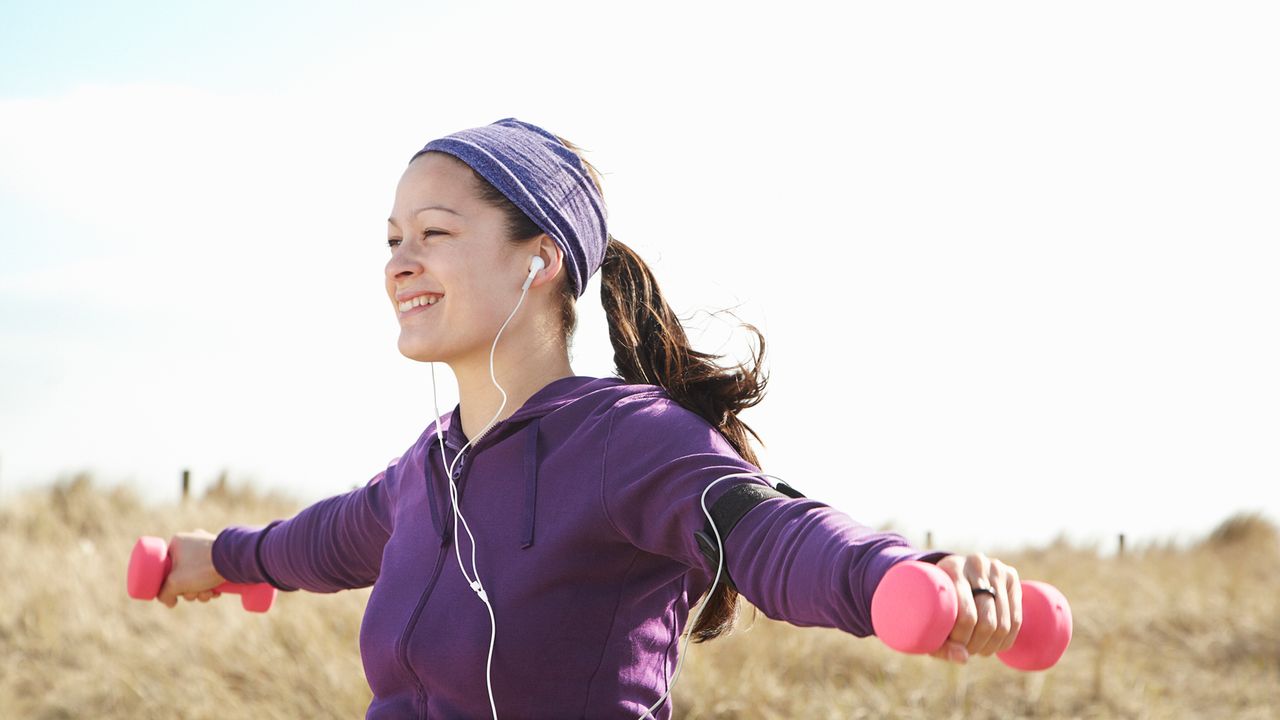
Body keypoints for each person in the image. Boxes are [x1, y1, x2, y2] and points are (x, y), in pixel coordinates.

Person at [157, 117, 1024, 719]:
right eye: (392, 240)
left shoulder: (630, 441)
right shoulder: (428, 470)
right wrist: (216, 558)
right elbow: (314, 543)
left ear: (539, 259)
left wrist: (903, 580)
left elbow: (768, 532)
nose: (400, 263)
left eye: (434, 233)